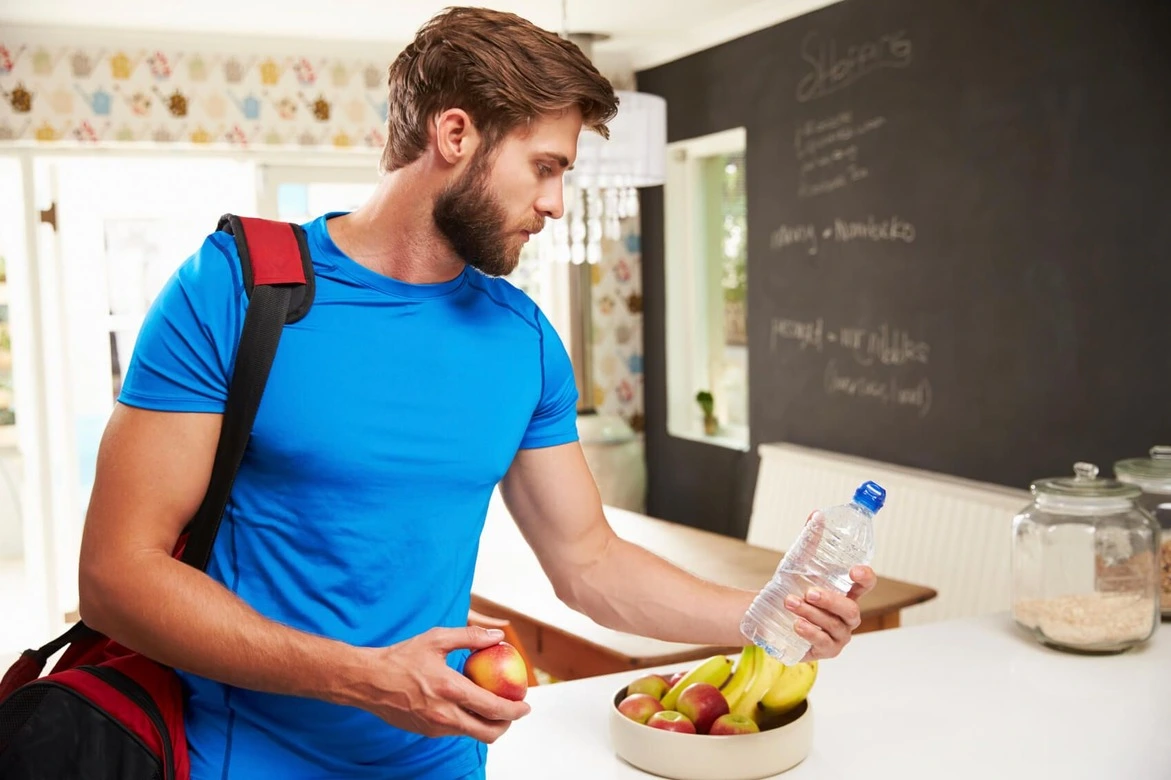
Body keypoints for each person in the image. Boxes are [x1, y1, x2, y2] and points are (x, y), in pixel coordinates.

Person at [76, 7, 877, 780]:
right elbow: (117, 575)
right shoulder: (234, 288)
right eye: (545, 166)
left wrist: (768, 613)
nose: (557, 202)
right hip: (244, 759)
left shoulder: (522, 340)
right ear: (455, 134)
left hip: (442, 763)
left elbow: (588, 561)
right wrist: (366, 677)